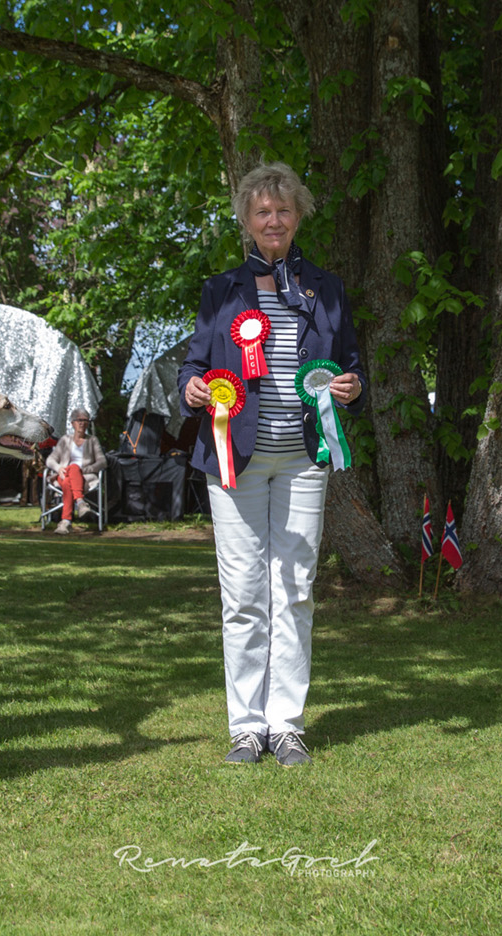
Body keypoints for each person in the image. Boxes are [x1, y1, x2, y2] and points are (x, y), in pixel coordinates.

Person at [179, 162, 366, 768]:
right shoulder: (221, 290)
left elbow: (353, 364)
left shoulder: (327, 289)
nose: (274, 221)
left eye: (283, 211)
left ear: (298, 216)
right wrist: (193, 391)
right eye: (262, 212)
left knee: (294, 590)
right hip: (235, 461)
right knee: (242, 595)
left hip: (303, 461)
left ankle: (286, 725)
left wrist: (351, 387)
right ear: (246, 219)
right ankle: (245, 727)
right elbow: (193, 366)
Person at [46, 408, 106, 534]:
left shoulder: (92, 440)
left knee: (71, 476)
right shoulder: (65, 440)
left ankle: (65, 522)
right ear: (72, 423)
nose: (82, 423)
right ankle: (80, 502)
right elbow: (50, 460)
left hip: (84, 477)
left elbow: (102, 462)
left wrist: (85, 469)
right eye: (79, 420)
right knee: (71, 470)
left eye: (85, 420)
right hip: (63, 475)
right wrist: (58, 468)